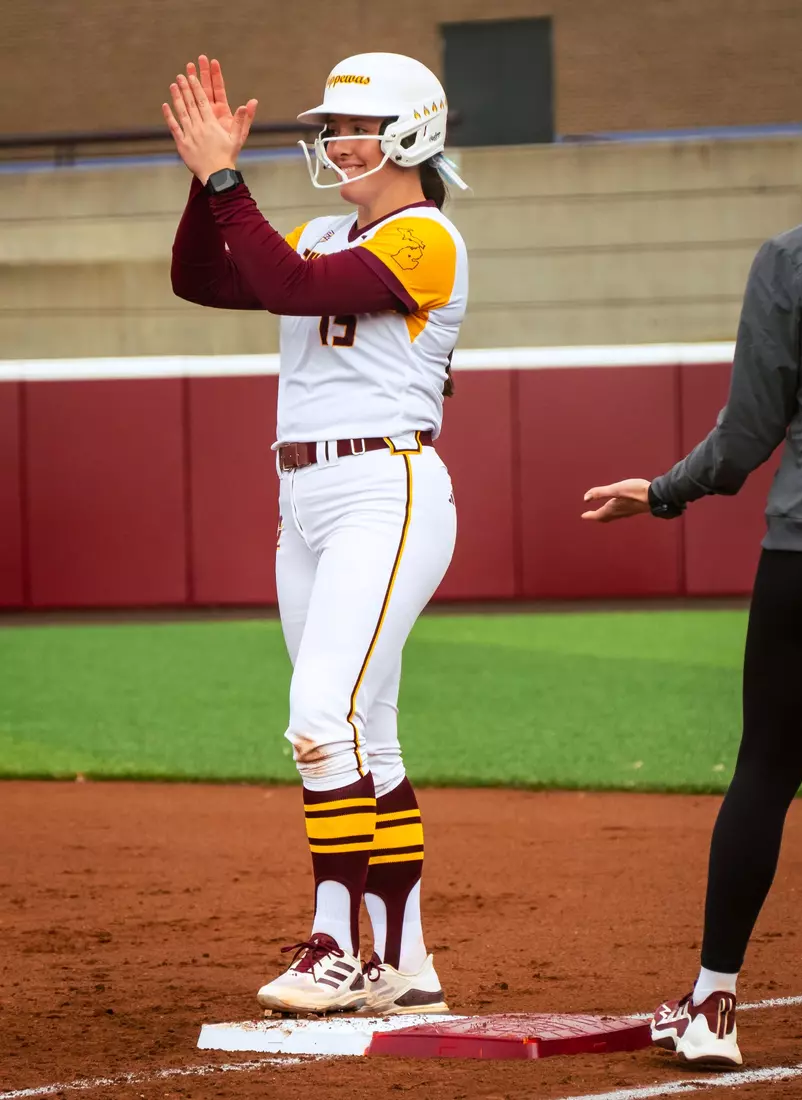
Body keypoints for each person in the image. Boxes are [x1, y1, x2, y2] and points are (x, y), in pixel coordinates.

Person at [582, 58, 802, 1070]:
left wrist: (662, 488)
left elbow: (748, 436)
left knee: (765, 770)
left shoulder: (792, 256)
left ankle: (712, 1004)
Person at [164, 52, 468, 1015]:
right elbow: (206, 280)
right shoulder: (328, 225)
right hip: (306, 499)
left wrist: (227, 179)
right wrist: (201, 179)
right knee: (364, 738)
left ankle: (336, 946)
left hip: (387, 486)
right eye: (333, 126)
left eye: (358, 127)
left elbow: (294, 289)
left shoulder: (428, 237)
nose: (338, 141)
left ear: (412, 132)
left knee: (316, 721)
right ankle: (405, 962)